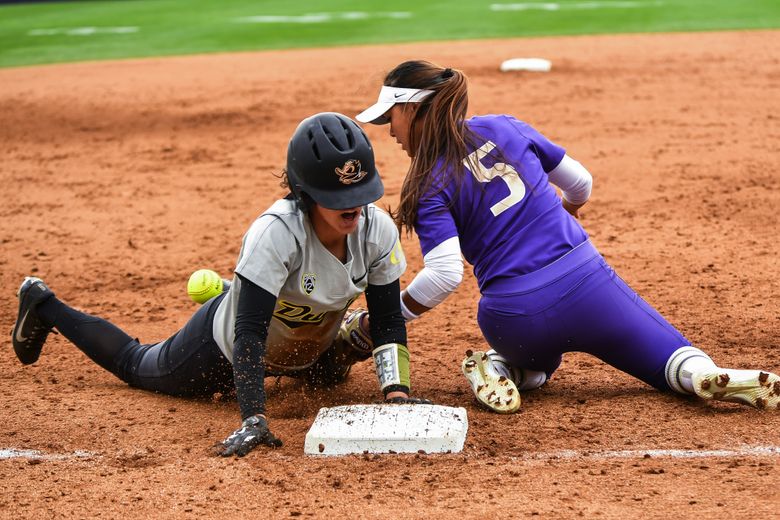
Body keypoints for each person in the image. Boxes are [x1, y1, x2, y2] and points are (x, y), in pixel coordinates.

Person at [353, 60, 780, 413]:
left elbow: (445, 275)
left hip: (512, 316)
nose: (390, 131)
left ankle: (506, 370)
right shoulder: (505, 128)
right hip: (587, 286)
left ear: (412, 109)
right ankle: (701, 375)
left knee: (535, 366)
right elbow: (582, 183)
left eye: (391, 118)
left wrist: (389, 319)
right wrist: (567, 213)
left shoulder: (426, 184)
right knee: (671, 359)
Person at [10, 112, 430, 457]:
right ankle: (43, 304)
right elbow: (247, 333)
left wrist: (396, 395)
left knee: (334, 376)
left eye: (360, 191)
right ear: (304, 193)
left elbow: (389, 317)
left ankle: (328, 326)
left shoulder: (376, 231)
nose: (354, 206)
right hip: (225, 346)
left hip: (305, 344)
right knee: (136, 364)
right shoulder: (276, 233)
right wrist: (253, 418)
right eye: (337, 197)